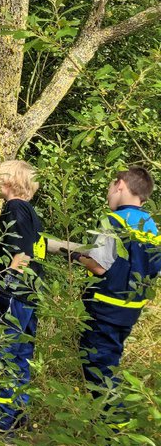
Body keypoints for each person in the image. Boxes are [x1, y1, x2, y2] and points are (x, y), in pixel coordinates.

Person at [68, 167, 161, 407]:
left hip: (105, 308)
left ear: (120, 185)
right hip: (130, 309)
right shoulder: (150, 226)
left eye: (110, 188)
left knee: (98, 369)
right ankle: (109, 429)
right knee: (110, 363)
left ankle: (113, 430)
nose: (108, 194)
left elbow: (99, 266)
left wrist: (76, 257)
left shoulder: (113, 221)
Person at [0, 160, 45, 434]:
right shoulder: (31, 212)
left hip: (12, 294)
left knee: (1, 354)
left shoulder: (15, 208)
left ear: (8, 181)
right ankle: (19, 413)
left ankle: (0, 421)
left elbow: (19, 253)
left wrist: (2, 283)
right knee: (19, 356)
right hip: (28, 295)